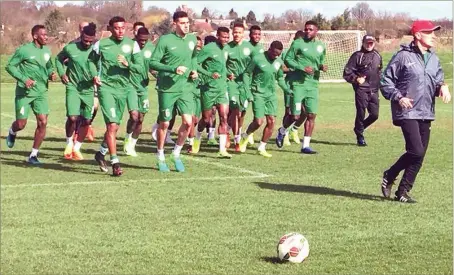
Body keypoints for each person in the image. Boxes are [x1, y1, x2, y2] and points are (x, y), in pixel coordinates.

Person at [380, 20, 451, 203]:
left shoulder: (434, 58)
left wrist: (442, 87)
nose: (434, 36)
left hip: (426, 111)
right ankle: (390, 173)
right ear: (418, 35)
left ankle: (402, 192)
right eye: (430, 33)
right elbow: (386, 82)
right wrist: (399, 97)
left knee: (420, 155)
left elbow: (436, 82)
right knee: (416, 150)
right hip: (407, 111)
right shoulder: (403, 56)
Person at [89, 16, 144, 176]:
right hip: (107, 89)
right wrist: (94, 75)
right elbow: (91, 61)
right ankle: (115, 162)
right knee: (112, 126)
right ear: (110, 28)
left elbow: (140, 67)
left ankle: (100, 153)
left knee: (126, 121)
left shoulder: (132, 45)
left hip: (126, 89)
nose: (120, 31)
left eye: (123, 28)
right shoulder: (101, 44)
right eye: (117, 28)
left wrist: (129, 64)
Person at [149, 11, 198, 172]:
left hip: (185, 87)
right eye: (182, 23)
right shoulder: (165, 40)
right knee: (164, 123)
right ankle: (160, 155)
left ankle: (176, 153)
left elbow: (193, 57)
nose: (186, 25)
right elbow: (153, 63)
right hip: (167, 88)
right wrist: (172, 69)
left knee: (188, 122)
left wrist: (194, 70)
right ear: (175, 24)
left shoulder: (191, 39)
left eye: (187, 23)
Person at [5, 24, 57, 164]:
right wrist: (24, 79)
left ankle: (33, 155)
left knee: (43, 122)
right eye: (43, 35)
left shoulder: (47, 51)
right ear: (35, 36)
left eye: (47, 34)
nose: (46, 37)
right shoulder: (24, 50)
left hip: (41, 92)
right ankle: (12, 131)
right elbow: (9, 66)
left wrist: (51, 74)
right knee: (21, 124)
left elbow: (48, 66)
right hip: (24, 93)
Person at [276, 20, 328, 154]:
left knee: (311, 115)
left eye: (311, 29)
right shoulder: (298, 43)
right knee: (295, 116)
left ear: (316, 31)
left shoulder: (321, 46)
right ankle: (282, 131)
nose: (307, 31)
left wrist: (322, 66)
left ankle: (305, 145)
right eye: (306, 29)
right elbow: (288, 59)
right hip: (298, 85)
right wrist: (302, 67)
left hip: (313, 84)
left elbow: (320, 60)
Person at [238, 41, 292, 157]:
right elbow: (246, 74)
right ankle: (245, 136)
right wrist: (248, 92)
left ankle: (262, 147)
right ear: (270, 49)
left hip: (271, 95)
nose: (276, 56)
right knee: (258, 121)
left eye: (278, 54)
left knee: (271, 121)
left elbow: (280, 78)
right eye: (274, 54)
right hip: (258, 94)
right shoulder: (257, 58)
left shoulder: (278, 62)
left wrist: (287, 89)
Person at [56, 23, 97, 161]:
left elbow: (102, 66)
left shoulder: (96, 50)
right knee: (73, 117)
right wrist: (62, 73)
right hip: (73, 87)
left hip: (88, 89)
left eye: (90, 41)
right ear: (81, 36)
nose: (87, 43)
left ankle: (77, 148)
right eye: (85, 40)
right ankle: (68, 143)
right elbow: (58, 59)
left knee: (86, 120)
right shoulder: (70, 48)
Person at [192, 29, 231, 158]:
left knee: (224, 117)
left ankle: (222, 149)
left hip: (222, 88)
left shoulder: (226, 49)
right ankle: (197, 139)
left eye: (227, 37)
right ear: (217, 36)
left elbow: (222, 66)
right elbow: (195, 64)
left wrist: (228, 75)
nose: (225, 39)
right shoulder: (209, 48)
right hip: (208, 88)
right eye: (223, 37)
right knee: (206, 119)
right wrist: (209, 74)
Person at [343, 34, 382, 146]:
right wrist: (356, 79)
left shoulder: (377, 55)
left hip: (374, 89)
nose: (369, 45)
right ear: (363, 43)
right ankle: (360, 135)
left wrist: (381, 83)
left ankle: (359, 128)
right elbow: (347, 72)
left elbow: (379, 71)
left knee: (374, 115)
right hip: (361, 90)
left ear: (374, 43)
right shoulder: (357, 56)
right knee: (361, 112)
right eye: (367, 43)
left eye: (371, 43)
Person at [123, 27, 155, 156]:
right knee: (134, 116)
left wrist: (158, 74)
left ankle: (132, 145)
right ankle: (127, 139)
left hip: (143, 87)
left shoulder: (151, 48)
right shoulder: (128, 46)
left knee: (141, 118)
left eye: (145, 40)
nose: (143, 42)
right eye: (140, 40)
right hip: (130, 85)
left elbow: (152, 67)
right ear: (136, 36)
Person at [225, 23, 257, 152]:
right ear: (232, 33)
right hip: (232, 84)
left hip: (245, 84)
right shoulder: (227, 47)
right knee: (236, 109)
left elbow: (257, 63)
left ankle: (228, 130)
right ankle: (236, 139)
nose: (237, 34)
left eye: (239, 32)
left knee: (241, 112)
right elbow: (221, 64)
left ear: (243, 33)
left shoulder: (249, 47)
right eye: (235, 32)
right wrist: (227, 74)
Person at [71, 21, 98, 142]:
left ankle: (88, 125)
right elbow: (65, 58)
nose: (84, 30)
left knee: (94, 107)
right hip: (78, 83)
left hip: (93, 80)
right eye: (82, 28)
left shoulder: (96, 44)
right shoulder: (73, 44)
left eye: (85, 28)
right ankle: (76, 131)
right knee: (78, 110)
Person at [282, 30, 305, 146]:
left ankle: (294, 129)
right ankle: (284, 133)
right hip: (289, 85)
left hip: (302, 86)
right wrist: (294, 68)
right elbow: (281, 68)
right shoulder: (286, 53)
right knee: (289, 112)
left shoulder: (304, 53)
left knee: (305, 112)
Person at [187, 36, 204, 153]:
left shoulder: (204, 58)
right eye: (195, 46)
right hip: (189, 90)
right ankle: (191, 143)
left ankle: (192, 137)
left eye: (199, 46)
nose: (197, 48)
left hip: (200, 91)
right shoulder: (188, 57)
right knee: (192, 118)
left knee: (197, 119)